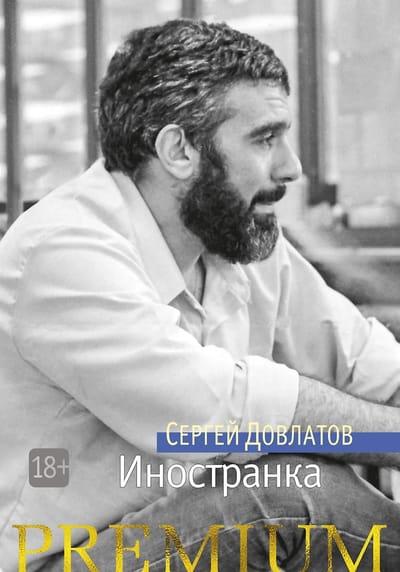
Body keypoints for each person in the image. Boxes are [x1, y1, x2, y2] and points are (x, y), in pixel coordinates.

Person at [1, 18, 400, 571]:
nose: (291, 167)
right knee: (281, 497)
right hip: (56, 559)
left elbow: (371, 368)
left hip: (170, 537)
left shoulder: (237, 240)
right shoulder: (61, 249)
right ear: (179, 150)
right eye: (265, 138)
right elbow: (218, 411)